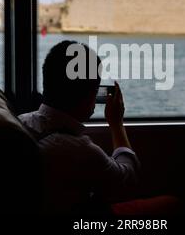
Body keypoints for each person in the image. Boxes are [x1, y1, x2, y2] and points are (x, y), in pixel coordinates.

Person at [19, 40, 139, 214]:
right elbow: (128, 178)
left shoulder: (22, 121)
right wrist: (116, 123)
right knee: (170, 204)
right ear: (90, 95)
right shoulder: (78, 149)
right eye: (95, 89)